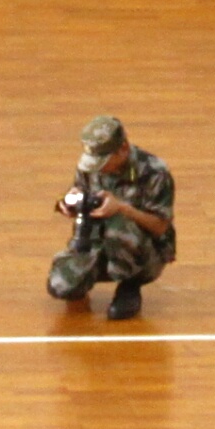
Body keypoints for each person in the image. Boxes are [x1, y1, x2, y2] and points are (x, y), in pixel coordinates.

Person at [45, 115, 177, 320]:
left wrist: (123, 209)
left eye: (103, 161)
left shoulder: (154, 172)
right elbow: (79, 192)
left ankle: (131, 284)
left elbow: (161, 226)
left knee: (118, 224)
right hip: (96, 241)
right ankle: (89, 273)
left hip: (142, 251)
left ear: (123, 148)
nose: (98, 168)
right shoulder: (90, 168)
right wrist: (69, 203)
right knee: (61, 285)